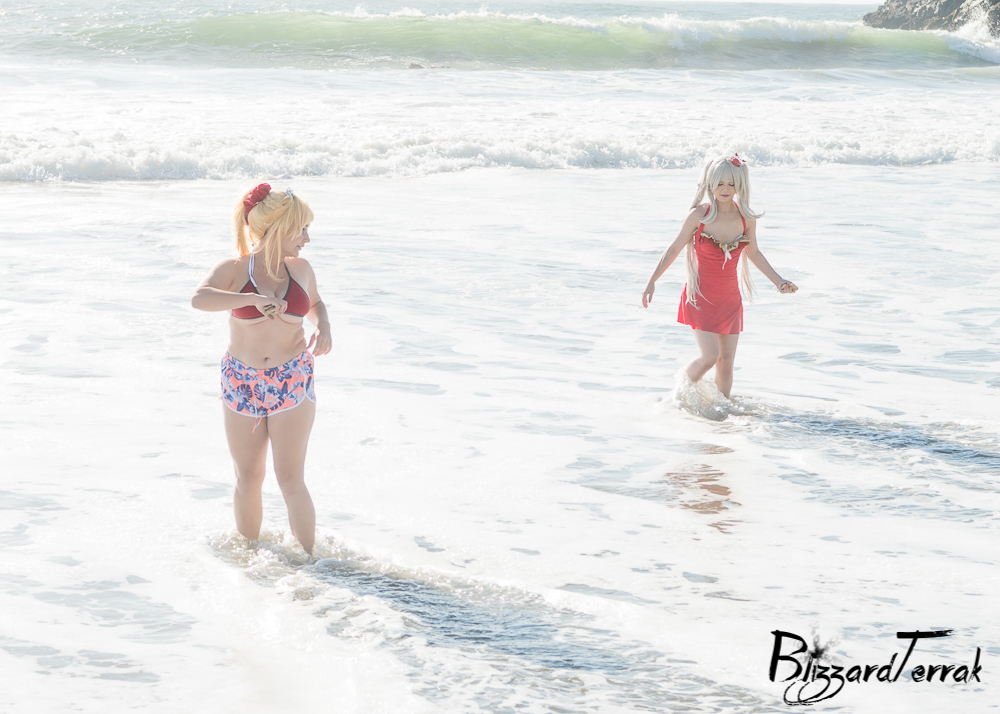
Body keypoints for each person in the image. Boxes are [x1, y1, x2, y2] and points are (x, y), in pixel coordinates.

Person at [192, 184, 331, 554]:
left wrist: (324, 326)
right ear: (279, 228)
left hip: (292, 378)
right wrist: (250, 298)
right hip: (242, 381)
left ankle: (309, 564)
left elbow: (316, 303)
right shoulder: (235, 270)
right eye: (301, 230)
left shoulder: (301, 270)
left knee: (291, 480)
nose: (307, 239)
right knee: (248, 477)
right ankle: (249, 561)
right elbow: (199, 299)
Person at [642, 154, 797, 399]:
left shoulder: (746, 218)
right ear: (710, 183)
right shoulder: (699, 215)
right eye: (720, 183)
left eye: (731, 184)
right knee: (710, 356)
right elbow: (674, 248)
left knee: (726, 363)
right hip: (700, 297)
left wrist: (779, 282)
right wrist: (652, 280)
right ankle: (678, 396)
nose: (725, 189)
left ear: (740, 185)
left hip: (730, 300)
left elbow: (754, 254)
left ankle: (721, 412)